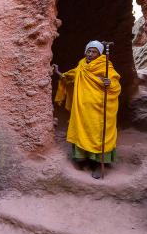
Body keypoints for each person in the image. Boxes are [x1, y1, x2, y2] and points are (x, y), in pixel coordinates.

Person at [52, 40, 121, 179]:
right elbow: (70, 78)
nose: (90, 54)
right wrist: (58, 72)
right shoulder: (82, 65)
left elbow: (115, 86)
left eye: (94, 52)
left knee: (98, 134)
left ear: (99, 53)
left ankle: (98, 164)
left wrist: (109, 84)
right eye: (88, 51)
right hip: (83, 109)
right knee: (83, 131)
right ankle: (84, 159)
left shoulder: (106, 66)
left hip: (100, 109)